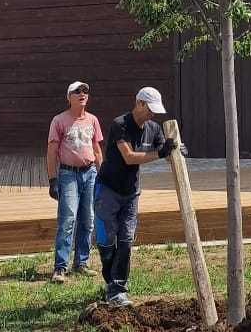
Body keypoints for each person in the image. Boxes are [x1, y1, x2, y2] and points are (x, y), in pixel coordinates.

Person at [92, 85, 178, 303]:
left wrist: (174, 149)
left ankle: (118, 289)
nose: (152, 114)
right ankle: (111, 281)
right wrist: (159, 153)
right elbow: (129, 157)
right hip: (108, 190)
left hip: (131, 193)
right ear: (139, 103)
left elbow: (166, 153)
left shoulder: (153, 128)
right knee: (106, 240)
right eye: (150, 109)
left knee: (126, 240)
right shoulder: (120, 125)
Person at [46, 81, 103, 282]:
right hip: (68, 175)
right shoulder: (59, 120)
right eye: (77, 91)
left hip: (90, 174)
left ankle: (81, 263)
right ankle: (60, 267)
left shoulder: (93, 120)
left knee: (88, 219)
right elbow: (52, 151)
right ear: (68, 97)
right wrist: (53, 179)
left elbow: (96, 149)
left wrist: (101, 176)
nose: (82, 94)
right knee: (68, 218)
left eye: (85, 91)